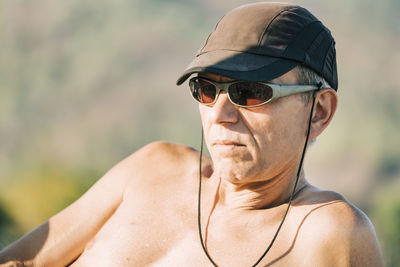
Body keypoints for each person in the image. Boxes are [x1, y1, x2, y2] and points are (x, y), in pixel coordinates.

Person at [0, 2, 384, 266]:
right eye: (206, 89)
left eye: (250, 93)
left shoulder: (327, 232)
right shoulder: (151, 170)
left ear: (318, 112)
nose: (219, 114)